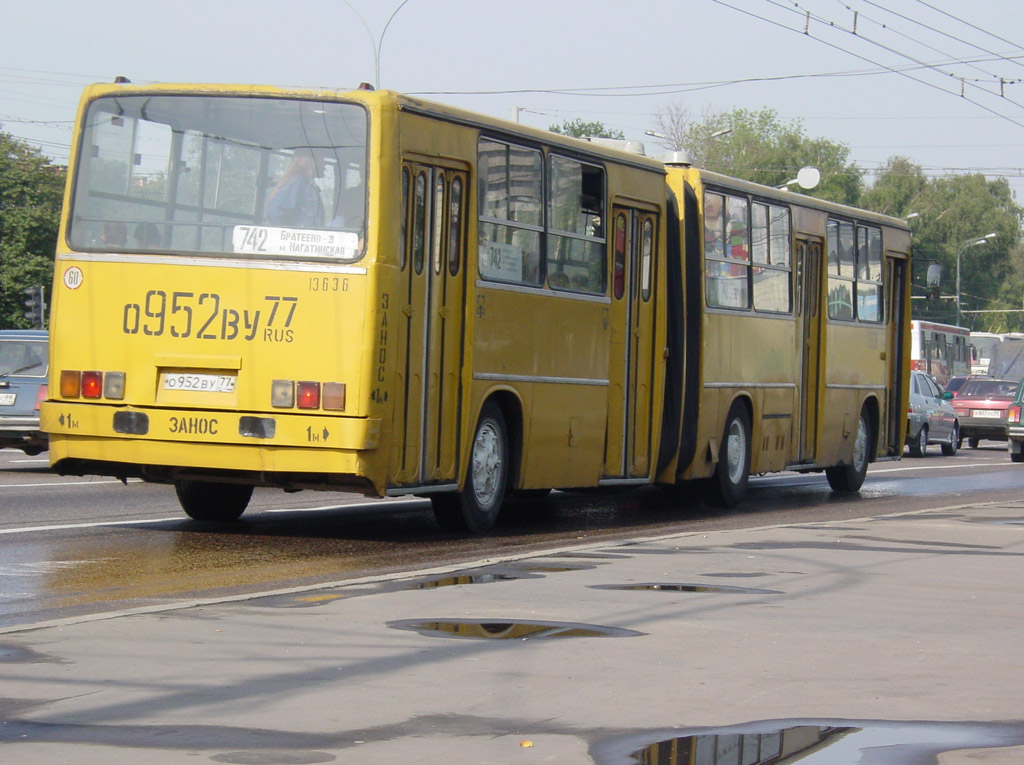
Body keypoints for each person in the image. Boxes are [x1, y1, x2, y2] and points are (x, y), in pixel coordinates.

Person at [265, 150, 323, 228]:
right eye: (321, 159)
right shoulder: (296, 182)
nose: (324, 164)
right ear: (309, 160)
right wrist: (289, 235)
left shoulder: (311, 187)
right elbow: (274, 211)